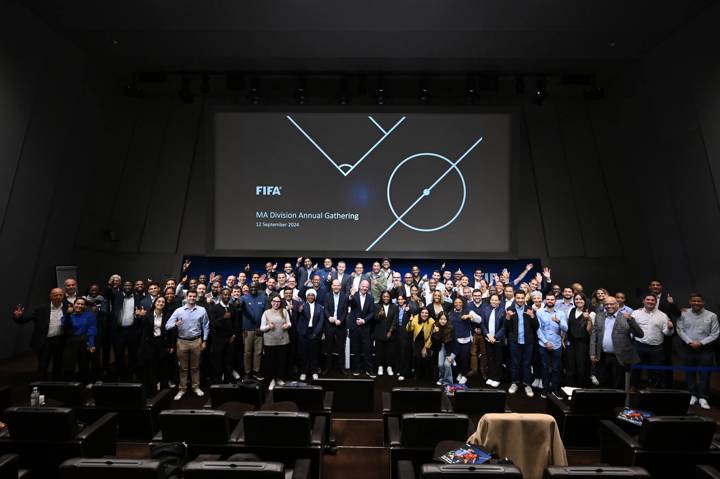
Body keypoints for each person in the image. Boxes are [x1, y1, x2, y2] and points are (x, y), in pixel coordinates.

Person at [12, 288, 67, 380]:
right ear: (50, 296)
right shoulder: (41, 309)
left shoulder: (66, 307)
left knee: (58, 364)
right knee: (43, 365)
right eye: (55, 295)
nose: (58, 297)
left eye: (60, 295)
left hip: (59, 340)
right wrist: (18, 317)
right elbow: (24, 320)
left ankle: (57, 385)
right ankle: (42, 386)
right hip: (45, 342)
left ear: (63, 296)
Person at [589, 296, 644, 389]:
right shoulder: (599, 316)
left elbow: (640, 334)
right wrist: (592, 353)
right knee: (603, 383)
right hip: (602, 356)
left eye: (611, 304)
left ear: (617, 305)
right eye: (606, 304)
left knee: (618, 385)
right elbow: (594, 336)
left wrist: (631, 320)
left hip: (619, 358)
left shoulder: (625, 317)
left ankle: (618, 403)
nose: (609, 306)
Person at [676, 293, 718, 410]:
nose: (696, 303)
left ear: (703, 302)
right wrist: (690, 342)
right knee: (689, 373)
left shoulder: (712, 316)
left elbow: (715, 333)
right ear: (690, 301)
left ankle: (703, 397)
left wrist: (701, 343)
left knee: (704, 374)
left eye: (699, 301)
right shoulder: (683, 313)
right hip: (688, 348)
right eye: (694, 301)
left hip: (705, 349)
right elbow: (680, 329)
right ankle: (692, 394)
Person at [165, 290, 209, 400]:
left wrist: (205, 340)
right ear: (186, 297)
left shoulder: (202, 310)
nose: (192, 298)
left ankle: (196, 387)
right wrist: (176, 324)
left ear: (196, 297)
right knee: (183, 368)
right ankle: (182, 389)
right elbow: (167, 326)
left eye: (194, 296)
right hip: (182, 342)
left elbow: (206, 326)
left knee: (195, 367)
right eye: (190, 296)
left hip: (196, 341)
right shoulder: (179, 311)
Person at [631, 294, 673, 389]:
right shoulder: (636, 313)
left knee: (656, 370)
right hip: (639, 346)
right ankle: (634, 386)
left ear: (656, 302)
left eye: (652, 300)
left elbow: (667, 333)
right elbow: (631, 329)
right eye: (648, 299)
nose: (650, 301)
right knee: (636, 368)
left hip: (656, 348)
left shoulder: (662, 315)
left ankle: (654, 389)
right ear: (643, 301)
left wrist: (670, 328)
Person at [505, 290, 539, 397]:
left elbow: (536, 326)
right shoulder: (510, 309)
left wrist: (532, 316)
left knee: (527, 364)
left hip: (528, 342)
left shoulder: (530, 309)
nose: (520, 300)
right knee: (515, 363)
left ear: (525, 298)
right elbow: (506, 327)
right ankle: (514, 383)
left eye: (522, 298)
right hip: (514, 342)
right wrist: (508, 317)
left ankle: (527, 384)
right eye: (518, 298)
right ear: (515, 298)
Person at [536, 293, 568, 398]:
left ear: (555, 301)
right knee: (545, 368)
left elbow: (565, 329)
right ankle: (545, 389)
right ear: (545, 300)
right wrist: (545, 342)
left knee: (556, 368)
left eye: (552, 299)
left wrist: (558, 321)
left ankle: (555, 390)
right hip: (543, 344)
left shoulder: (561, 313)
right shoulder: (539, 312)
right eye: (548, 299)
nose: (550, 301)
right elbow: (538, 329)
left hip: (557, 345)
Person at [139, 296, 171, 394]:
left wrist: (170, 345)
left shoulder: (168, 315)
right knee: (151, 367)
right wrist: (139, 316)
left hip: (162, 343)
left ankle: (163, 389)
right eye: (159, 301)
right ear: (154, 303)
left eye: (163, 302)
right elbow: (142, 329)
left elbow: (170, 332)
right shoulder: (147, 314)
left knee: (163, 367)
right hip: (149, 344)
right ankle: (151, 389)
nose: (161, 303)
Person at [208, 288, 239, 384]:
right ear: (221, 295)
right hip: (218, 340)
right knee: (217, 362)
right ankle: (217, 381)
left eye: (228, 294)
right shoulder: (215, 308)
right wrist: (223, 318)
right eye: (225, 294)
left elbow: (236, 323)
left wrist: (234, 335)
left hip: (230, 339)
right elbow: (212, 323)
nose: (227, 296)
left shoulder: (233, 307)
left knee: (228, 362)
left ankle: (228, 380)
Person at [112, 280, 143, 380]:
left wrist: (139, 316)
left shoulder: (138, 298)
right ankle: (121, 375)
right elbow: (109, 293)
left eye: (130, 285)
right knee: (119, 354)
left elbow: (141, 313)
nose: (128, 286)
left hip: (132, 330)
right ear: (123, 286)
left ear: (133, 287)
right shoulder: (117, 295)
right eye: (126, 285)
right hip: (119, 331)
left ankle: (132, 375)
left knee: (133, 354)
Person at [61, 297, 97, 382]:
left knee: (84, 365)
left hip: (83, 341)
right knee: (69, 365)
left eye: (82, 304)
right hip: (70, 341)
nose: (79, 306)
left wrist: (91, 344)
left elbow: (91, 330)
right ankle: (70, 385)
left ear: (84, 306)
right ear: (74, 304)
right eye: (78, 303)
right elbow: (64, 326)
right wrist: (68, 315)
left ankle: (85, 384)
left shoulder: (90, 315)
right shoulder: (68, 315)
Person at [260, 296, 292, 390]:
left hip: (283, 340)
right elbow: (261, 328)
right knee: (270, 362)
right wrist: (268, 327)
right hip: (270, 341)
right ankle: (271, 380)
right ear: (271, 302)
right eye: (274, 301)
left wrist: (287, 325)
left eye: (278, 301)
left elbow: (290, 323)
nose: (276, 303)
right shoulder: (266, 313)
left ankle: (279, 378)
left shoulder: (284, 311)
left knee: (281, 361)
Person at [238, 282, 267, 380]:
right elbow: (238, 306)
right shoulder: (243, 298)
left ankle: (256, 371)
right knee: (247, 352)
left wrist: (262, 326)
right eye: (251, 287)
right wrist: (237, 303)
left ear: (258, 288)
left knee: (258, 352)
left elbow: (266, 313)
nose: (253, 288)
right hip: (247, 330)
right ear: (248, 288)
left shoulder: (263, 297)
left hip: (259, 329)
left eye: (255, 287)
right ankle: (247, 372)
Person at [565, 293, 594, 387]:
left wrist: (588, 320)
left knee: (581, 366)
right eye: (576, 299)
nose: (578, 301)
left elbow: (590, 331)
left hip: (583, 343)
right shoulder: (571, 310)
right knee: (570, 366)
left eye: (581, 299)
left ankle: (580, 388)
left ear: (585, 300)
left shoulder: (591, 313)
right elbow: (567, 326)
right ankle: (570, 388)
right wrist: (563, 340)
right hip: (570, 342)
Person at [348, 279, 376, 377]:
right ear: (360, 286)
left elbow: (372, 312)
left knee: (368, 350)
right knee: (356, 350)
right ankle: (357, 369)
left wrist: (364, 320)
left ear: (368, 288)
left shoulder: (370, 298)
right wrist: (351, 296)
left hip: (366, 328)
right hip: (355, 327)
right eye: (363, 286)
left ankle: (369, 370)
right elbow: (350, 304)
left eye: (366, 287)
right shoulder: (353, 295)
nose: (364, 288)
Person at [297, 289, 325, 381]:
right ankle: (303, 372)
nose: (310, 297)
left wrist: (316, 333)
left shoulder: (320, 307)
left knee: (314, 353)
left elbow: (321, 321)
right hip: (304, 332)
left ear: (315, 297)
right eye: (308, 295)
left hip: (315, 332)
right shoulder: (302, 306)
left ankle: (314, 371)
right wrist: (299, 310)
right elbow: (298, 315)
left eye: (312, 295)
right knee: (303, 353)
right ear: (306, 296)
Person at [322, 279, 348, 374]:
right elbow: (325, 309)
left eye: (338, 285)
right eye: (334, 285)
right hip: (329, 325)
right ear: (332, 286)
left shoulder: (345, 297)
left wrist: (340, 320)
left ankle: (342, 368)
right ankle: (328, 368)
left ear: (340, 286)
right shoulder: (327, 296)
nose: (336, 287)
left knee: (341, 348)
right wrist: (329, 317)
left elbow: (345, 310)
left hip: (341, 325)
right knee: (328, 348)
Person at [480, 293, 506, 388]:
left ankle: (497, 378)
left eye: (496, 300)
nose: (494, 301)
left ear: (499, 301)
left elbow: (504, 327)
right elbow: (482, 324)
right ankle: (491, 377)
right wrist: (488, 335)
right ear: (490, 300)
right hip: (488, 339)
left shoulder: (503, 311)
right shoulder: (485, 310)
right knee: (490, 359)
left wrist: (495, 337)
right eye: (492, 300)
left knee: (498, 360)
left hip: (498, 340)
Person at [406, 307, 435, 380]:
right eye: (422, 312)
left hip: (428, 341)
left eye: (426, 313)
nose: (424, 314)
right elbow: (409, 329)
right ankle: (417, 374)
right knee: (417, 357)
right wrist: (410, 321)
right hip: (417, 341)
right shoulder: (415, 318)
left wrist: (425, 347)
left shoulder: (432, 321)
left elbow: (432, 336)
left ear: (429, 314)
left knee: (426, 357)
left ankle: (426, 376)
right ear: (420, 313)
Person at [448, 297, 472, 385]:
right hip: (455, 340)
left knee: (464, 358)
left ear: (462, 303)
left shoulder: (467, 311)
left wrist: (469, 316)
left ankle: (465, 375)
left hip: (465, 339)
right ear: (454, 303)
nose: (458, 304)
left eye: (460, 302)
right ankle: (460, 373)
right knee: (457, 358)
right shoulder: (450, 313)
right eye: (456, 302)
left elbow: (477, 320)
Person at [374, 291, 398, 376]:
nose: (386, 298)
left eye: (387, 296)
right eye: (384, 296)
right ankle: (380, 367)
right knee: (379, 351)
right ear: (381, 297)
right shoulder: (377, 306)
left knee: (390, 352)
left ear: (390, 297)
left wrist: (390, 331)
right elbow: (374, 319)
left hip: (391, 334)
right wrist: (379, 315)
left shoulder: (394, 306)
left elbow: (395, 320)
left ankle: (389, 367)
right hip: (379, 333)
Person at [432, 313, 455, 386]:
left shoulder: (451, 328)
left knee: (447, 364)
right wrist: (435, 333)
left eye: (445, 319)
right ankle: (442, 378)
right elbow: (434, 342)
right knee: (440, 365)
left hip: (451, 348)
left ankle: (448, 382)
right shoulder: (436, 327)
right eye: (441, 319)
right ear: (438, 320)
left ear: (447, 320)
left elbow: (454, 343)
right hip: (441, 347)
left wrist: (450, 355)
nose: (443, 321)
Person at [395, 295, 412, 381]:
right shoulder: (396, 308)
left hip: (406, 333)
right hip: (398, 332)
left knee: (405, 353)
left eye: (402, 299)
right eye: (399, 299)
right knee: (399, 352)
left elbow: (411, 320)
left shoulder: (408, 308)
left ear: (405, 300)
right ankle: (399, 370)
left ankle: (404, 373)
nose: (400, 300)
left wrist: (408, 312)